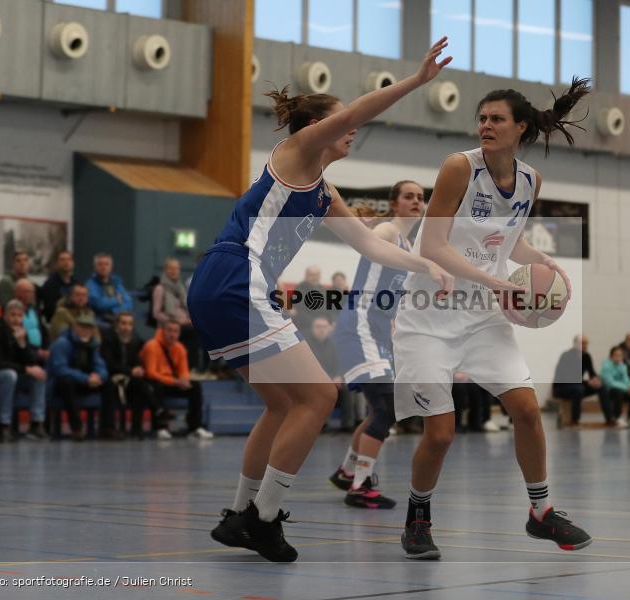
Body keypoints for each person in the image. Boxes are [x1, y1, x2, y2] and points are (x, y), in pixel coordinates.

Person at [187, 38, 454, 563]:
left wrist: (424, 262)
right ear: (318, 128)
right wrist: (417, 82)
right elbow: (357, 110)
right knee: (319, 399)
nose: (351, 129)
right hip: (235, 275)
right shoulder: (298, 152)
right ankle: (263, 520)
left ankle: (241, 514)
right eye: (341, 122)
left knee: (283, 404)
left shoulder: (323, 189)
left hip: (221, 285)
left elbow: (370, 243)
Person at [392, 79, 593, 560]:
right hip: (429, 318)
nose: (485, 125)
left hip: (484, 317)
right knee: (441, 433)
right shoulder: (459, 167)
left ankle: (541, 514)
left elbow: (508, 243)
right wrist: (495, 281)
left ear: (520, 128)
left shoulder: (531, 180)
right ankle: (418, 517)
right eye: (481, 118)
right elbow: (432, 246)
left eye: (496, 118)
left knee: (526, 409)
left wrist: (543, 262)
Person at [329, 180, 426, 509]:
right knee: (386, 408)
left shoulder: (411, 246)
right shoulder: (387, 231)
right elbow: (364, 239)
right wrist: (362, 224)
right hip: (359, 326)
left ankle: (347, 471)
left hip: (378, 331)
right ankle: (360, 485)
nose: (415, 202)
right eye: (408, 196)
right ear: (394, 203)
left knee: (378, 409)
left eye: (420, 198)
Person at [0, 300, 48, 442]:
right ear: (5, 315)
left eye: (19, 316)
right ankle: (3, 425)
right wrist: (26, 369)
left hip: (15, 374)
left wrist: (22, 344)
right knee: (9, 375)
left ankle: (36, 424)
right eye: (12, 315)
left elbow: (32, 361)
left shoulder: (21, 330)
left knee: (39, 374)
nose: (16, 319)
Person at [140, 320, 213, 439]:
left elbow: (183, 370)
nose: (172, 334)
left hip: (171, 382)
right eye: (169, 330)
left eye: (175, 331)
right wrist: (175, 381)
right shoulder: (152, 346)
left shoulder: (180, 348)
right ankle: (160, 428)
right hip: (154, 383)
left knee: (195, 387)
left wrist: (184, 380)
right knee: (156, 386)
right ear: (162, 331)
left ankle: (195, 427)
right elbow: (150, 373)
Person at [100, 312, 165, 439]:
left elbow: (139, 361)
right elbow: (109, 364)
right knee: (113, 387)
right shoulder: (108, 340)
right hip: (111, 377)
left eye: (130, 324)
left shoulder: (136, 341)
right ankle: (109, 428)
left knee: (139, 385)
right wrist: (130, 371)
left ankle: (137, 428)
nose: (126, 327)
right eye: (123, 323)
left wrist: (139, 369)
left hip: (129, 380)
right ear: (116, 325)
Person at [48, 315, 111, 441]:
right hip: (62, 384)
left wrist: (99, 376)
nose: (85, 331)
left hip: (85, 381)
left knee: (109, 384)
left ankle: (107, 428)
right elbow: (60, 369)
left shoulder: (93, 345)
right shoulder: (62, 343)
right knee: (66, 382)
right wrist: (85, 378)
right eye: (82, 327)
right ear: (74, 327)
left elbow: (100, 365)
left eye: (89, 328)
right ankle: (76, 428)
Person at [152, 258, 200, 372]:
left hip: (185, 324)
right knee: (193, 332)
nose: (174, 271)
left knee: (200, 329)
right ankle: (188, 368)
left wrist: (189, 319)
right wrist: (175, 321)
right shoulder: (160, 289)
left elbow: (186, 308)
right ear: (165, 270)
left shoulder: (181, 288)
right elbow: (156, 313)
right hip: (168, 325)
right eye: (171, 269)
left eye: (176, 269)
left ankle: (194, 368)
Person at [552, 334, 607, 428]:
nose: (585, 345)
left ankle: (609, 419)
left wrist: (596, 380)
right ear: (575, 344)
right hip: (561, 387)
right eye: (583, 343)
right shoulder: (566, 355)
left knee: (601, 387)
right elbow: (567, 377)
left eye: (586, 343)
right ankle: (574, 421)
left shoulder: (586, 356)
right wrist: (587, 382)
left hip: (577, 385)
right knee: (578, 389)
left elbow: (592, 373)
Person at [86, 253, 133, 328]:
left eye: (106, 264)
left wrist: (115, 311)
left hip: (117, 320)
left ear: (111, 267)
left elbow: (128, 302)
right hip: (99, 323)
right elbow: (98, 304)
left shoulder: (116, 282)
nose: (103, 267)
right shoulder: (90, 284)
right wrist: (117, 301)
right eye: (100, 264)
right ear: (95, 267)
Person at [600, 346, 630, 428]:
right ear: (611, 356)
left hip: (622, 388)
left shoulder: (622, 365)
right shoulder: (606, 366)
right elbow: (610, 382)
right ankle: (618, 417)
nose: (618, 357)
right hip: (609, 389)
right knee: (618, 393)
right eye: (616, 355)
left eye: (620, 355)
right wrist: (626, 388)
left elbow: (626, 378)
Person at [14, 279, 50, 362]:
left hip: (41, 350)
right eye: (26, 292)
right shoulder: (12, 311)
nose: (30, 295)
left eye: (32, 292)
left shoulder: (35, 310)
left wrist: (46, 348)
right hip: (24, 352)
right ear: (16, 293)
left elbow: (44, 331)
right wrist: (37, 352)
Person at [40, 250, 78, 323]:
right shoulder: (50, 284)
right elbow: (50, 310)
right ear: (57, 263)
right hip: (57, 322)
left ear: (73, 263)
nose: (66, 262)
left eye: (69, 259)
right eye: (62, 260)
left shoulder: (76, 283)